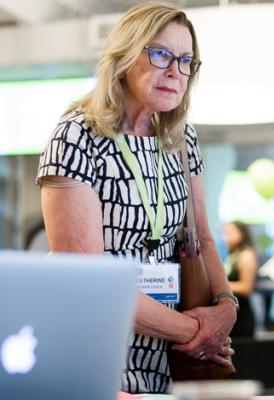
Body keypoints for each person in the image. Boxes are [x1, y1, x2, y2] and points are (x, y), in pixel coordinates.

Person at [36, 3, 237, 394]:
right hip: (92, 353)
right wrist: (196, 331)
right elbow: (87, 279)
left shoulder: (181, 139)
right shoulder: (77, 135)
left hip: (166, 360)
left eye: (186, 61)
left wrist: (227, 307)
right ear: (125, 55)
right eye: (160, 53)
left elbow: (205, 241)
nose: (174, 71)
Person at [222, 221, 259, 337]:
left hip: (242, 316)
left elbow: (246, 287)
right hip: (231, 313)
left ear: (242, 233)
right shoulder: (232, 255)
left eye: (230, 232)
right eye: (225, 232)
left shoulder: (246, 255)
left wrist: (217, 285)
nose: (226, 236)